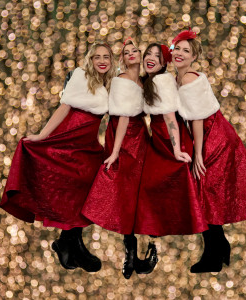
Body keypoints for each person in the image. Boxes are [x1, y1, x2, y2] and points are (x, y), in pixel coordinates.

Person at [0, 42, 116, 272]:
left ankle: (68, 241)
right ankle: (72, 243)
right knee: (69, 187)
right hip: (68, 138)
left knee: (89, 189)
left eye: (107, 57)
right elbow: (64, 107)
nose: (102, 61)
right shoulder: (81, 76)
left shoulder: (111, 84)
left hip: (88, 144)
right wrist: (43, 134)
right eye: (97, 57)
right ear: (90, 60)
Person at [172, 29, 246, 273]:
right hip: (213, 133)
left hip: (212, 136)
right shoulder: (179, 77)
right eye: (177, 48)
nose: (180, 53)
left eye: (186, 51)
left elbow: (197, 118)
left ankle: (214, 250)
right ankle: (217, 247)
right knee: (205, 194)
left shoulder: (187, 79)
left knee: (204, 192)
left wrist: (198, 152)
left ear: (193, 57)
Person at [82, 39, 157, 279]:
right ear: (122, 59)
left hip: (139, 134)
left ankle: (136, 249)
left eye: (135, 50)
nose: (132, 54)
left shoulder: (144, 81)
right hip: (123, 136)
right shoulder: (123, 80)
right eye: (127, 52)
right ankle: (130, 248)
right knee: (124, 189)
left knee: (137, 191)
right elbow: (123, 116)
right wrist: (115, 150)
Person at [134, 43, 208, 238]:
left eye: (157, 56)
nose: (150, 58)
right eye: (148, 54)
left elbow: (170, 118)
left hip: (170, 138)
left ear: (164, 62)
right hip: (159, 137)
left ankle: (156, 238)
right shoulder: (150, 81)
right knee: (151, 189)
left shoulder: (162, 82)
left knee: (158, 187)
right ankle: (153, 240)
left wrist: (176, 149)